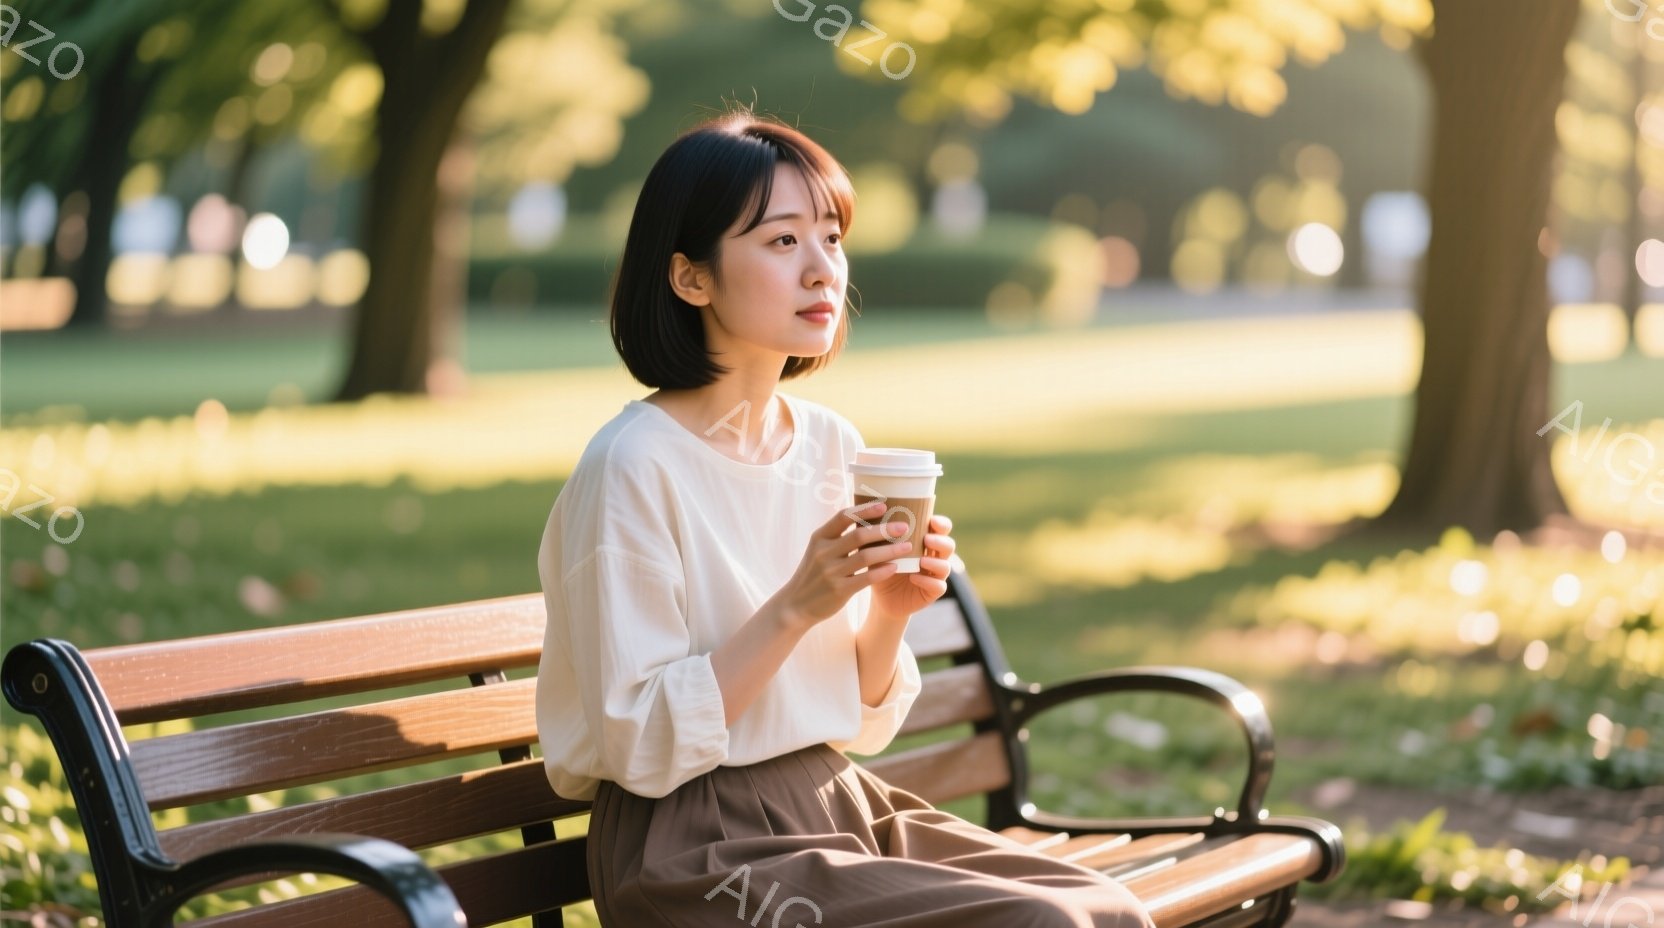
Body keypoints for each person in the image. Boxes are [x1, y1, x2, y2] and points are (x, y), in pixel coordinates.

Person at [534, 105, 1155, 928]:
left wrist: (890, 614)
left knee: (1104, 907)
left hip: (835, 799)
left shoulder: (832, 444)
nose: (824, 269)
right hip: (693, 847)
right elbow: (638, 742)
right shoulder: (632, 466)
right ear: (692, 277)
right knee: (1043, 926)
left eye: (831, 236)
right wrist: (796, 606)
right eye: (783, 241)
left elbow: (858, 721)